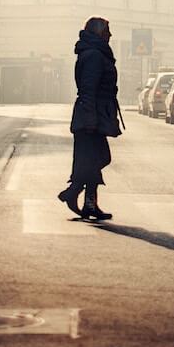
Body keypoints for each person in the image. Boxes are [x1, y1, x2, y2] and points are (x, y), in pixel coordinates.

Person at [58, 16, 123, 221]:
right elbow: (88, 88)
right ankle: (75, 193)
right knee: (98, 158)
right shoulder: (95, 55)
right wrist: (90, 120)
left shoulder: (96, 52)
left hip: (94, 114)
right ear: (98, 32)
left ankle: (88, 203)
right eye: (107, 31)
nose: (110, 35)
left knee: (94, 159)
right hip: (91, 116)